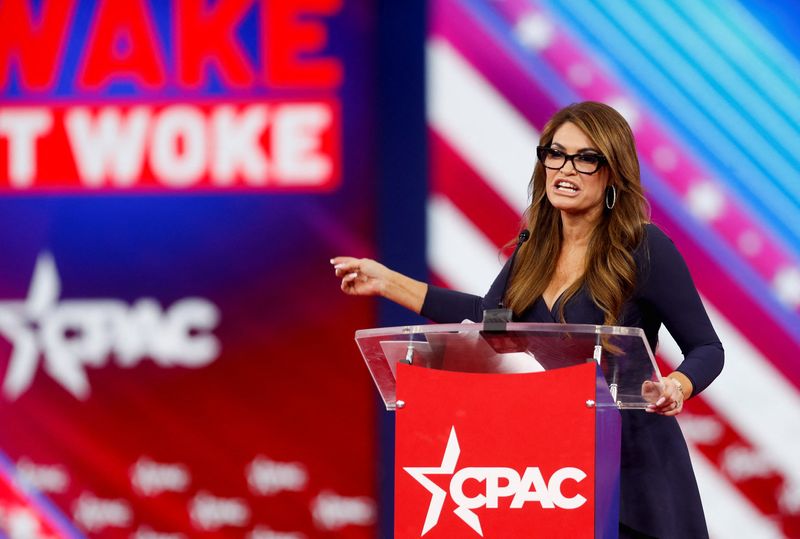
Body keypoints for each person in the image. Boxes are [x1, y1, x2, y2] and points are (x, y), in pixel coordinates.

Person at [331, 101, 724, 538]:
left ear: (612, 172)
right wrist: (387, 282)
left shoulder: (644, 246)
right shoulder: (534, 248)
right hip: (558, 470)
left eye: (586, 158)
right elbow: (487, 319)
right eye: (555, 154)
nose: (566, 169)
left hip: (635, 471)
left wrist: (676, 386)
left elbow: (708, 348)